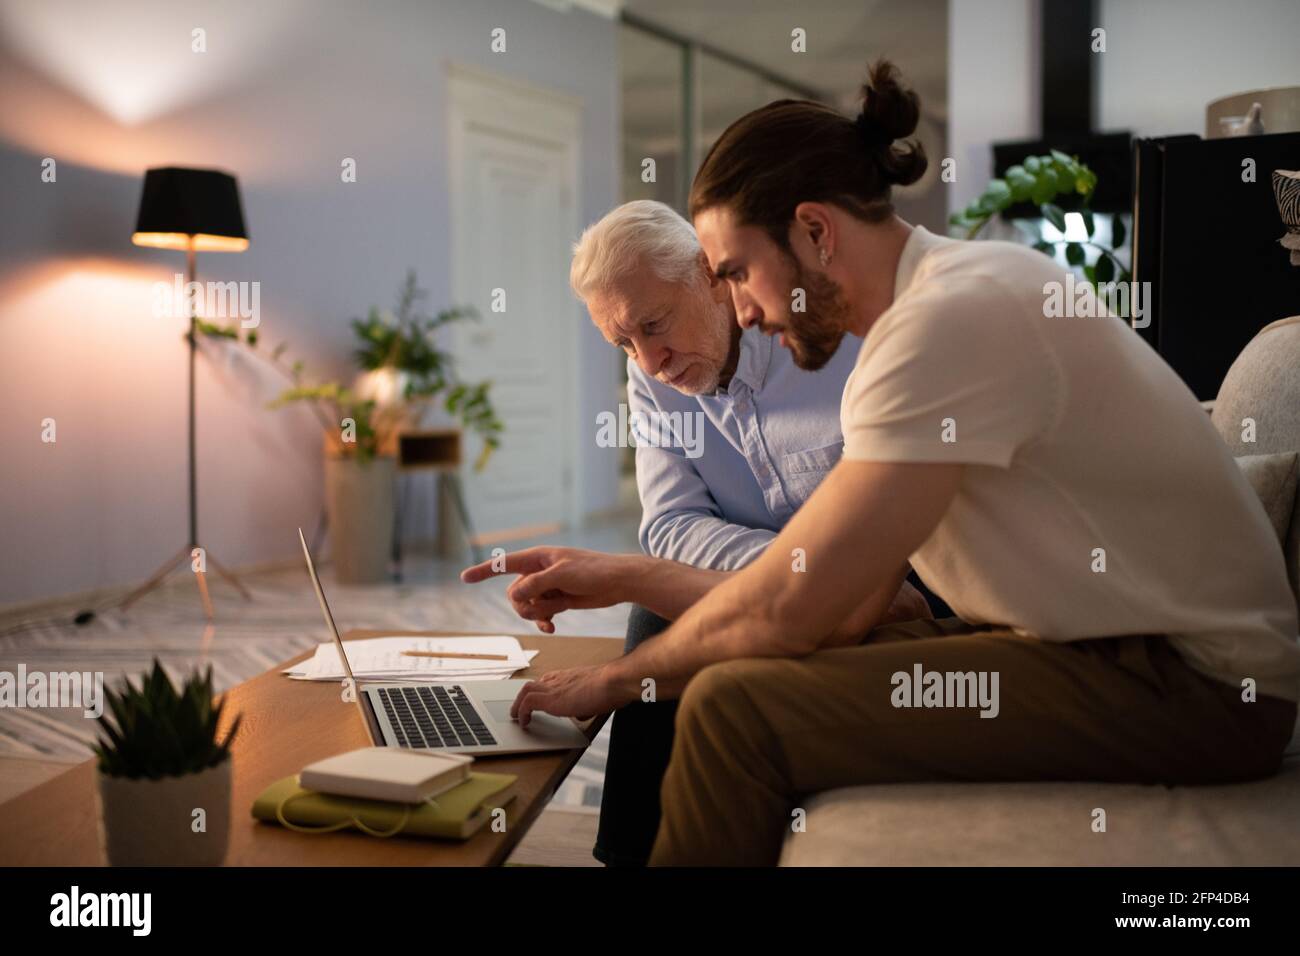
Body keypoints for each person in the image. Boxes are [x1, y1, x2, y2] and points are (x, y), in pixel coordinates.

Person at [465, 61, 1300, 866]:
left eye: (739, 273)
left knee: (731, 709)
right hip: (1087, 647)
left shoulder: (945, 320)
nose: (744, 310)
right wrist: (633, 579)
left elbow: (809, 607)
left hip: (1199, 686)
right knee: (725, 677)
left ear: (816, 231)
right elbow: (852, 601)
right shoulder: (929, 306)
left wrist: (613, 680)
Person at [567, 199, 930, 865]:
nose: (649, 362)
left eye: (654, 324)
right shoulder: (652, 377)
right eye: (623, 343)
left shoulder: (831, 340)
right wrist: (790, 575)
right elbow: (673, 524)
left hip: (888, 572)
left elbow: (889, 518)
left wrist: (817, 578)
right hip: (790, 573)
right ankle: (632, 856)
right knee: (658, 615)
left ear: (713, 277)